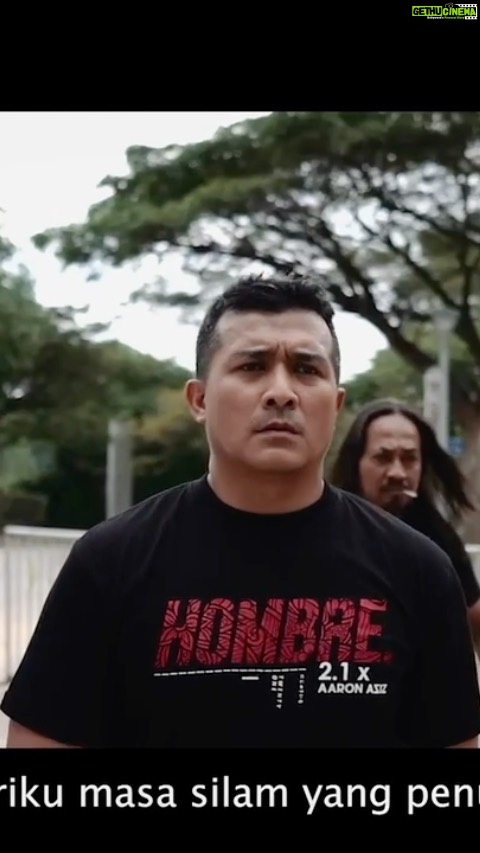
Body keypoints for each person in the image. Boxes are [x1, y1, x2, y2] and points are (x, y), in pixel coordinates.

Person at [2, 273, 480, 749]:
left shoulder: (419, 569)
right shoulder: (110, 561)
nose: (281, 392)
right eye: (252, 366)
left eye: (306, 369)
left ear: (336, 405)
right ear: (200, 399)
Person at [330, 398, 480, 660]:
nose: (397, 472)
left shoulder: (437, 539)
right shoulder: (327, 533)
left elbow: (473, 616)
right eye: (383, 457)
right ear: (357, 463)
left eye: (409, 459)